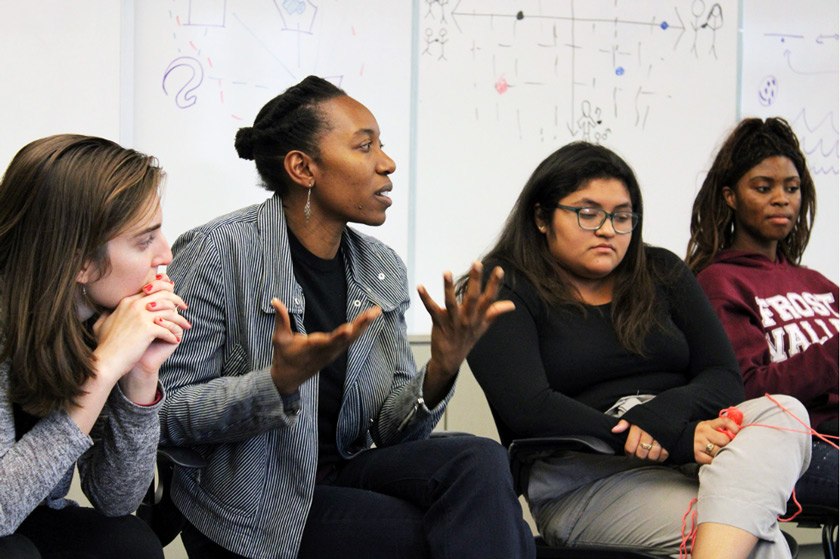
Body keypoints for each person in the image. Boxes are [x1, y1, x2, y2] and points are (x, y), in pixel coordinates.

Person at [157, 75, 535, 559]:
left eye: (382, 144)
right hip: (250, 503)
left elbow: (391, 431)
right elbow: (165, 413)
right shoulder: (217, 252)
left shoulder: (380, 267)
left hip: (345, 475)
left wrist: (441, 368)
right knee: (475, 535)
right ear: (303, 168)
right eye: (365, 146)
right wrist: (274, 384)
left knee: (481, 461)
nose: (387, 162)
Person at [465, 141, 812, 558]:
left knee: (785, 413)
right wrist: (675, 438)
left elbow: (724, 377)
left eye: (622, 216)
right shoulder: (500, 287)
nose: (608, 229)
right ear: (541, 217)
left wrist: (669, 421)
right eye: (588, 213)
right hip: (587, 482)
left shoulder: (662, 271)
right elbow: (529, 408)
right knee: (757, 541)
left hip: (694, 456)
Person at [0, 134, 190, 558]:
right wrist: (101, 371)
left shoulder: (94, 323)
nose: (166, 255)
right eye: (144, 241)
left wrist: (140, 376)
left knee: (128, 543)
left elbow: (116, 500)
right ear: (80, 261)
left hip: (27, 512)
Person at [687, 116, 838, 511]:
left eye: (792, 188)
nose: (782, 199)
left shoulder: (819, 284)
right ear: (730, 196)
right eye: (763, 187)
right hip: (791, 447)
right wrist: (833, 356)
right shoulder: (720, 282)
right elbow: (746, 390)